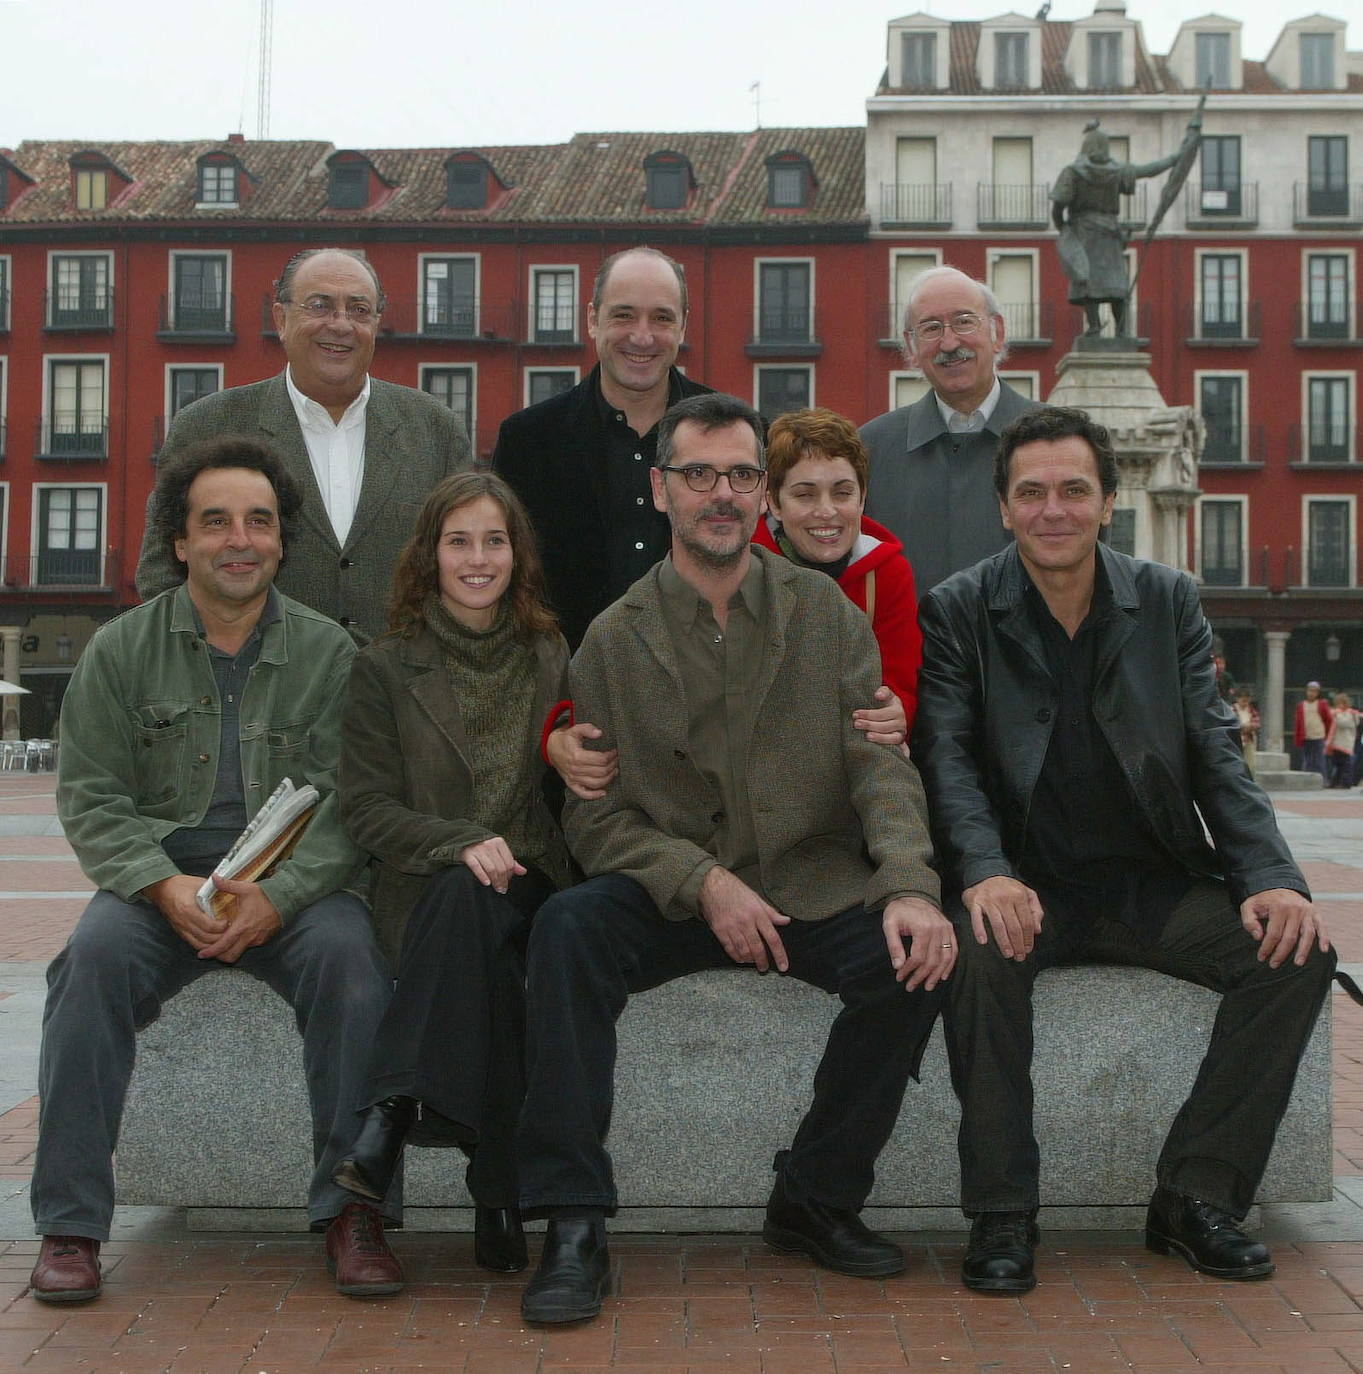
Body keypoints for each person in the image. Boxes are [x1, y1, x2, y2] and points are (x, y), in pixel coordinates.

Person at [514, 392, 953, 1326]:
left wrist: (910, 885)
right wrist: (699, 880)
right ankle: (573, 1221)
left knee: (912, 963)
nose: (722, 493)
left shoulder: (827, 618)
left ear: (763, 494)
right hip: (669, 896)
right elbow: (595, 823)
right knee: (563, 932)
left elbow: (879, 766)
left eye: (741, 475)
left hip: (808, 882)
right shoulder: (613, 638)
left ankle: (815, 1196)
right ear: (660, 490)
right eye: (698, 474)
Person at [912, 405, 1334, 1296]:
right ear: (1003, 507)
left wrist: (1270, 878)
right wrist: (985, 872)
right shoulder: (958, 610)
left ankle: (1194, 1197)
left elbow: (1215, 749)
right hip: (1026, 885)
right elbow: (944, 759)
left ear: (1107, 503)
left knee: (1297, 954)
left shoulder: (1167, 600)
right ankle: (1000, 1214)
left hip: (1151, 884)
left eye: (1073, 490)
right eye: (1030, 493)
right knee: (976, 957)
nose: (1051, 509)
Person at [29, 437, 402, 1305]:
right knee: (87, 967)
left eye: (259, 522)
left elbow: (354, 803)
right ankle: (72, 1225)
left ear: (282, 541)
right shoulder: (119, 652)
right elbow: (90, 797)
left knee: (354, 970)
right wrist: (159, 887)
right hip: (158, 878)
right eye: (216, 522)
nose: (240, 539)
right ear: (181, 542)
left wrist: (279, 896)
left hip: (295, 884)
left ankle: (352, 1213)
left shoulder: (331, 655)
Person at [331, 471, 577, 1282]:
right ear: (429, 556)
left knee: (493, 914)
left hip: (536, 880)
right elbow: (364, 809)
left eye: (494, 540)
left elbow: (576, 782)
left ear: (518, 554)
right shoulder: (384, 666)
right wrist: (459, 840)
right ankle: (496, 1193)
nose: (478, 559)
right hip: (429, 889)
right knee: (489, 959)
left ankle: (390, 1109)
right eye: (459, 541)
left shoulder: (551, 654)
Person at [136, 248, 472, 641]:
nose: (340, 325)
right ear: (281, 319)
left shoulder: (435, 429)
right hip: (257, 691)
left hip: (404, 692)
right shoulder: (208, 426)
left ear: (377, 324)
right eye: (320, 305)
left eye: (359, 310)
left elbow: (468, 563)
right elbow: (161, 575)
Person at [493, 246, 712, 651]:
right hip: (568, 696)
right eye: (623, 315)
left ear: (683, 326)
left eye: (662, 317)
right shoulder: (527, 441)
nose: (642, 336)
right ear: (593, 319)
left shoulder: (732, 438)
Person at [860, 266, 1040, 598]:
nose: (949, 342)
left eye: (964, 321)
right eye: (930, 328)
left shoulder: (1058, 442)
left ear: (997, 331)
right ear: (911, 347)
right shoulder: (869, 450)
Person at [753, 406, 922, 731]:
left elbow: (901, 684)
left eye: (843, 493)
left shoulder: (887, 572)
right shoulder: (745, 567)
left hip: (853, 744)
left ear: (862, 498)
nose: (827, 511)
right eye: (805, 495)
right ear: (773, 501)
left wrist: (897, 711)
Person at [1051, 115, 1200, 337]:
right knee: (1115, 283)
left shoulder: (1072, 172)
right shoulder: (1117, 171)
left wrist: (1062, 226)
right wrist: (1176, 157)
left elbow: (1059, 204)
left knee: (1086, 280)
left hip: (1083, 231)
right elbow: (1149, 170)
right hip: (1110, 232)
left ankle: (1094, 326)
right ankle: (1121, 332)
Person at [1295, 682, 1333, 782]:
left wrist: (1327, 734)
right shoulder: (1301, 705)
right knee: (1307, 760)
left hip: (1318, 735)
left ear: (1318, 693)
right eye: (1310, 690)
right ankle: (1307, 780)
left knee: (1319, 760)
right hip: (1306, 736)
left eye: (1314, 691)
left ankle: (1323, 780)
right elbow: (1298, 723)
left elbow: (1328, 720)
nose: (1311, 693)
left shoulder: (1322, 704)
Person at [1326, 693, 1359, 789]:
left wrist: (1336, 715)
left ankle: (1346, 782)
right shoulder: (1338, 713)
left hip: (1345, 744)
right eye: (1337, 704)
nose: (1339, 706)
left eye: (1341, 703)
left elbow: (1343, 723)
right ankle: (1335, 782)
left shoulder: (1350, 714)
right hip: (1336, 743)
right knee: (1337, 764)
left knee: (1345, 764)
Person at [1233, 686, 1260, 776]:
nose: (1245, 703)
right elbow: (1233, 725)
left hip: (1248, 740)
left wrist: (1248, 726)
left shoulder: (1251, 710)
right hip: (1236, 741)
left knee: (1251, 765)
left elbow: (1257, 723)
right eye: (1243, 700)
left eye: (1247, 700)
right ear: (1237, 699)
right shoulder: (1232, 709)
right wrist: (1242, 726)